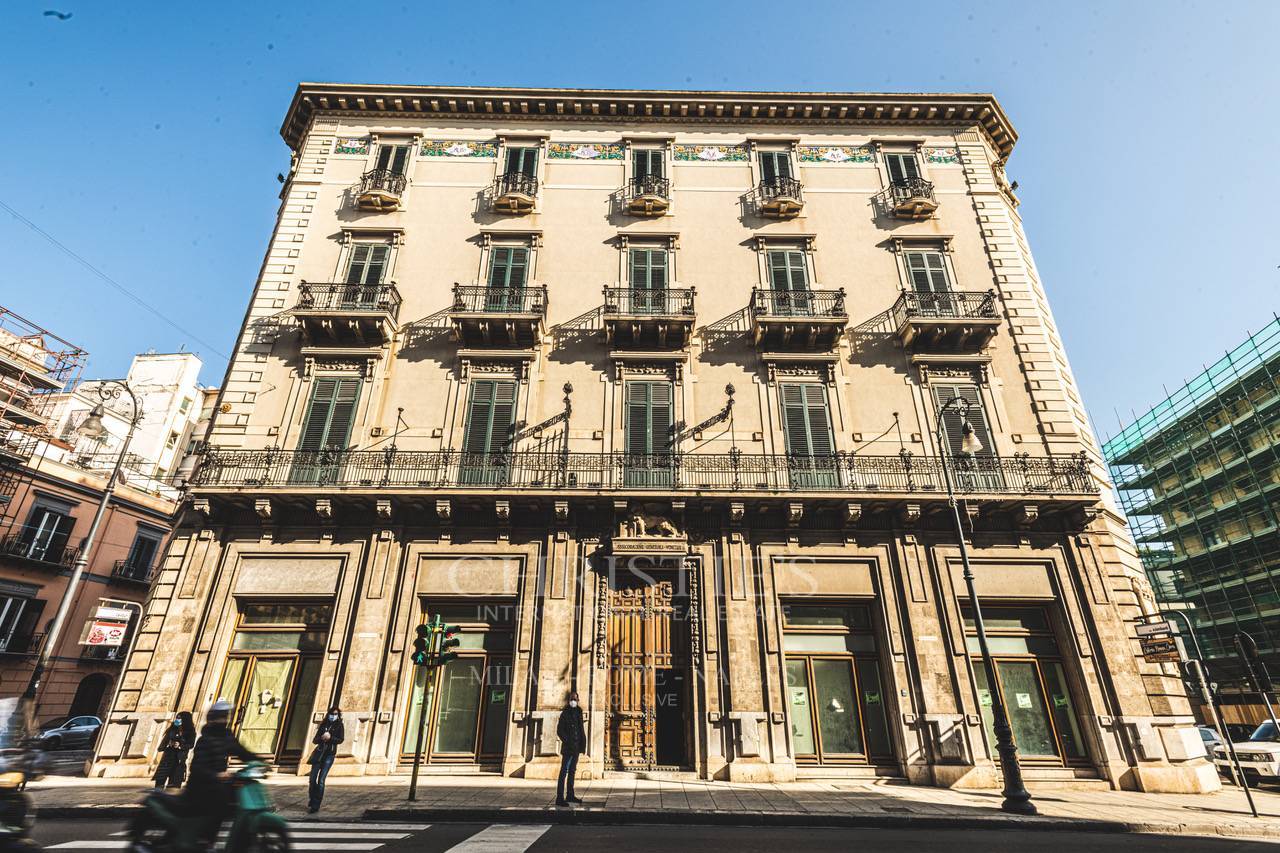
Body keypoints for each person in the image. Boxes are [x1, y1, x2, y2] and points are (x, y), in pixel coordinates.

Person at [185, 700, 256, 840]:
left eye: (225, 716)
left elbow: (241, 751)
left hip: (217, 784)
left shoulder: (226, 736)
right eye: (221, 716)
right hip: (202, 786)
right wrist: (217, 775)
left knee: (231, 801)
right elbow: (197, 767)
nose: (224, 720)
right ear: (213, 718)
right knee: (219, 807)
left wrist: (258, 761)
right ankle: (206, 841)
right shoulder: (205, 740)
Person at [307, 706, 344, 814]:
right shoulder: (323, 725)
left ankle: (315, 805)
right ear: (328, 714)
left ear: (338, 715)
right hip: (319, 755)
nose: (333, 716)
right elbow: (315, 740)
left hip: (329, 755)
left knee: (321, 780)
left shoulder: (339, 725)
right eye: (332, 714)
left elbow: (341, 739)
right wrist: (322, 737)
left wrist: (330, 738)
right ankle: (312, 799)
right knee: (312, 779)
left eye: (336, 714)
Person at [555, 691, 585, 807]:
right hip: (568, 748)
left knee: (572, 771)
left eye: (575, 699)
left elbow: (580, 728)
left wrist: (581, 743)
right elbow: (560, 731)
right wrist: (568, 741)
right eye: (572, 699)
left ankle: (570, 795)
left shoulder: (579, 712)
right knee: (564, 772)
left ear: (578, 700)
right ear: (569, 701)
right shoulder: (565, 714)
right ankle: (559, 797)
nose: (573, 701)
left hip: (576, 747)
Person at [153, 711, 195, 789]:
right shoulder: (172, 729)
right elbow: (164, 742)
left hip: (179, 761)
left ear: (185, 720)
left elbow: (191, 745)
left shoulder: (190, 732)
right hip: (167, 759)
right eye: (177, 718)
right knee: (159, 784)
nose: (177, 720)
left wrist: (180, 745)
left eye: (179, 718)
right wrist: (168, 743)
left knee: (173, 787)